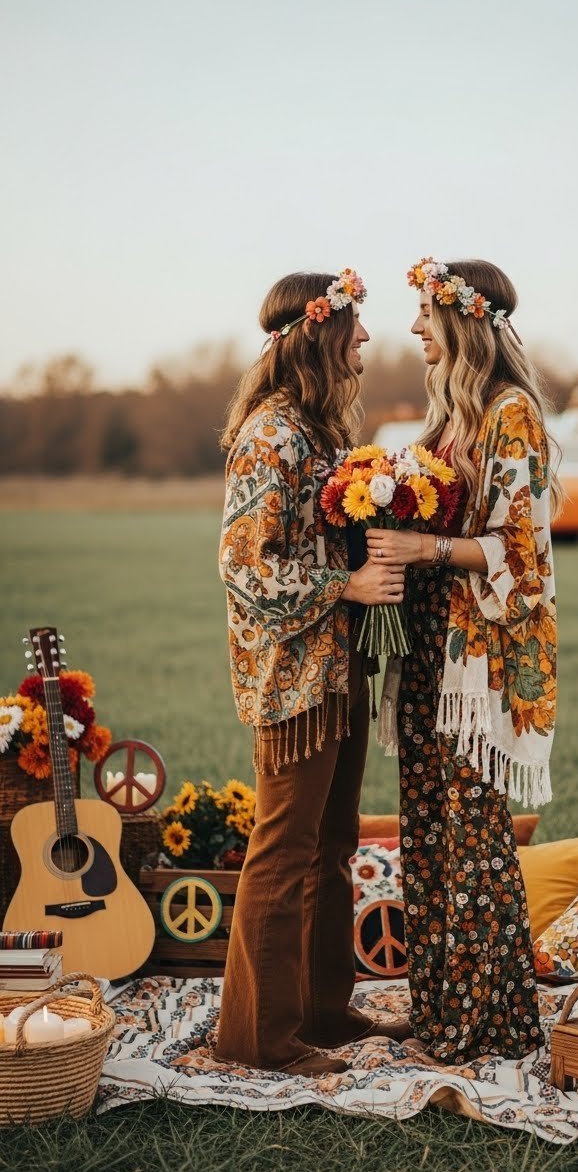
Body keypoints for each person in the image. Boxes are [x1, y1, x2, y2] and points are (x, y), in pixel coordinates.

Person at [216, 268, 410, 1076]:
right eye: (354, 326)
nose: (366, 338)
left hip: (339, 672)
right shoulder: (272, 435)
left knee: (331, 844)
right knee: (283, 850)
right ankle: (257, 1038)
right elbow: (244, 570)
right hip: (292, 682)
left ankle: (326, 1011)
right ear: (320, 335)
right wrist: (346, 583)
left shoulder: (321, 431)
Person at [368, 258, 561, 1065]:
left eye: (424, 314)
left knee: (474, 841)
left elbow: (525, 554)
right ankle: (441, 1009)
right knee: (428, 836)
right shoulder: (449, 416)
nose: (413, 329)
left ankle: (493, 1021)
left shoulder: (509, 413)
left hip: (477, 669)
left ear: (463, 320)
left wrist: (424, 545)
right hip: (427, 660)